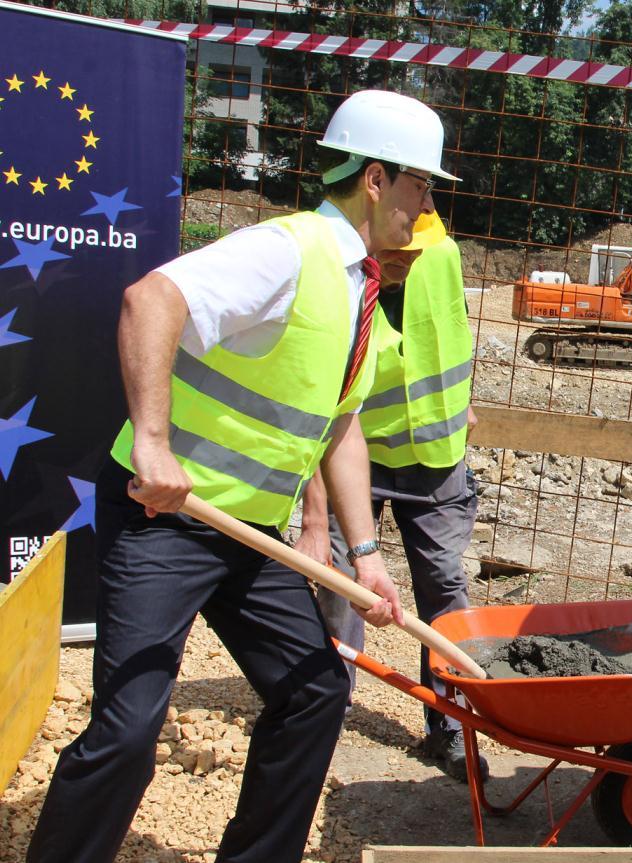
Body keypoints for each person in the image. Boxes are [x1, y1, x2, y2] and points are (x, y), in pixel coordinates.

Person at [27, 89, 460, 863]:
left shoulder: (362, 288)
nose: (425, 206)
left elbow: (340, 427)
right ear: (374, 178)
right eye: (421, 186)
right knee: (129, 727)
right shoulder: (288, 252)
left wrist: (365, 554)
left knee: (316, 692)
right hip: (164, 520)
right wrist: (153, 443)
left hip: (249, 534)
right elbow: (150, 299)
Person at [297, 211, 485, 782]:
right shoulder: (334, 271)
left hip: (435, 452)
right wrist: (312, 517)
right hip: (348, 453)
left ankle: (452, 723)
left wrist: (464, 404)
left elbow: (454, 330)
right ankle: (324, 711)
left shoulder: (443, 254)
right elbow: (304, 403)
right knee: (340, 585)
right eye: (400, 249)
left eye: (416, 250)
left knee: (445, 584)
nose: (408, 257)